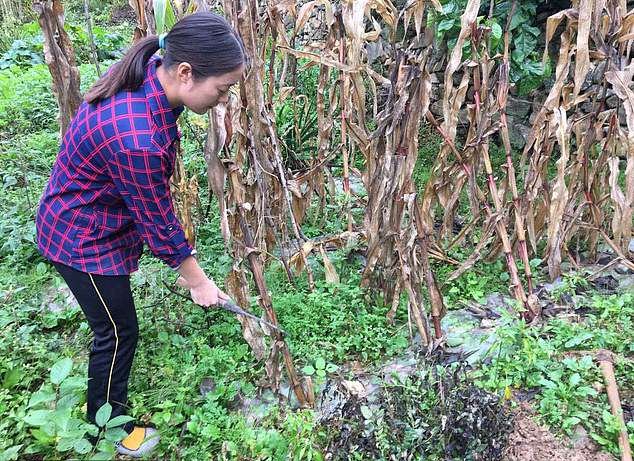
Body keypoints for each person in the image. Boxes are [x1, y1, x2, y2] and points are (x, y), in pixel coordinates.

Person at [35, 12, 244, 458]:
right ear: (186, 73)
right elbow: (157, 219)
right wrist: (198, 280)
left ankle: (105, 417)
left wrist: (189, 272)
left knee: (117, 324)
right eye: (222, 89)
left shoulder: (152, 69)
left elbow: (148, 206)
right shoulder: (137, 137)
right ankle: (107, 427)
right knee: (116, 331)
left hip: (95, 221)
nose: (222, 99)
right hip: (78, 239)